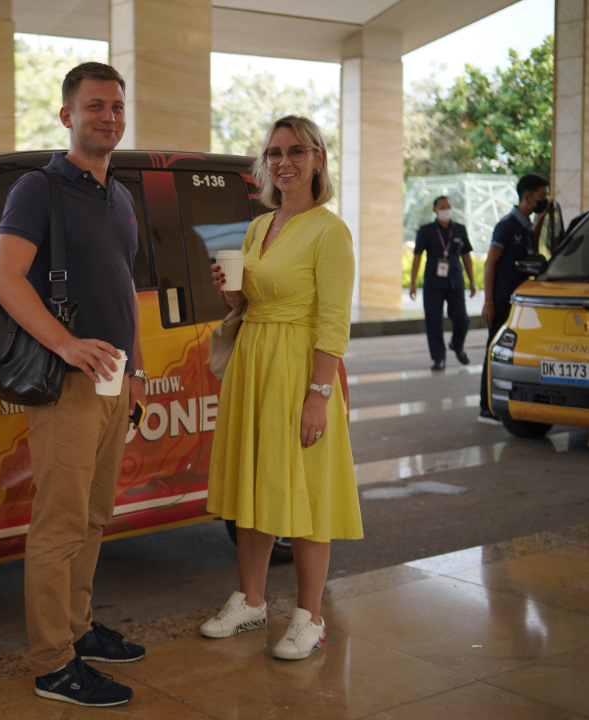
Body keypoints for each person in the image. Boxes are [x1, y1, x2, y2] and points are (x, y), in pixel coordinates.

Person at [0, 62, 148, 708]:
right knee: (58, 525)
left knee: (93, 515)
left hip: (114, 383)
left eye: (115, 106)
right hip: (65, 383)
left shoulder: (121, 196)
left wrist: (135, 371)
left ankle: (79, 630)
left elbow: (121, 289)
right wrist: (65, 343)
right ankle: (54, 662)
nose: (106, 116)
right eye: (93, 107)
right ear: (67, 116)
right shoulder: (38, 189)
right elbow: (5, 278)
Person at [199, 115, 362, 660]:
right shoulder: (257, 227)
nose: (283, 161)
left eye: (296, 151)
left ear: (317, 158)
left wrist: (318, 397)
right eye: (273, 153)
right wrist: (231, 293)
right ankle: (250, 601)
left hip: (300, 372)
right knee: (254, 486)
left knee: (307, 491)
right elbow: (250, 303)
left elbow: (334, 324)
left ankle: (310, 617)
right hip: (254, 367)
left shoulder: (330, 231)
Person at [480, 173, 549, 424]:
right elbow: (491, 263)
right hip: (501, 300)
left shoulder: (525, 227)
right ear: (527, 196)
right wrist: (488, 301)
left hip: (519, 301)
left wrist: (541, 217)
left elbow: (531, 238)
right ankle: (485, 406)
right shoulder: (507, 225)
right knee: (494, 350)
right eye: (541, 197)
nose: (544, 200)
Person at [409, 196, 477, 370]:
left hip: (455, 281)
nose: (446, 209)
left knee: (462, 319)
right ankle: (438, 358)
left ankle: (457, 344)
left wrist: (472, 280)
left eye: (448, 206)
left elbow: (466, 256)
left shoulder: (460, 229)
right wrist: (412, 283)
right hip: (433, 283)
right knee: (433, 320)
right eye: (442, 207)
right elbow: (417, 256)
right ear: (435, 210)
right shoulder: (426, 230)